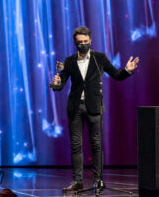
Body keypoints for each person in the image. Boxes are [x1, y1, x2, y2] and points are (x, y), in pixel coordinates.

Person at [52, 26, 139, 192]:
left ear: (90, 41)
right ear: (75, 43)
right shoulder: (69, 61)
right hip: (75, 108)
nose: (83, 44)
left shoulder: (100, 58)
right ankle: (77, 181)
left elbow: (116, 75)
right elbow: (61, 84)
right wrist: (56, 84)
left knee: (96, 144)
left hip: (94, 107)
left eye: (85, 41)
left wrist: (127, 70)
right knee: (76, 145)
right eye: (80, 42)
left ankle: (98, 180)